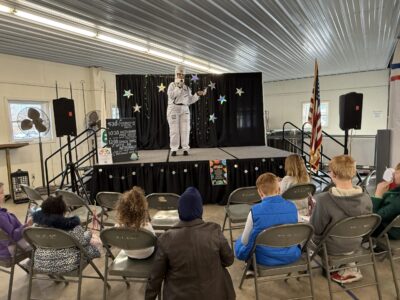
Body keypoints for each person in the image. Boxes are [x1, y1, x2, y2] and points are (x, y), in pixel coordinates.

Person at [145, 187, 235, 300]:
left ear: (179, 211)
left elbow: (156, 277)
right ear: (200, 210)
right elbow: (229, 260)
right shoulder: (214, 231)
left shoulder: (165, 239)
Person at [310, 155, 372, 284]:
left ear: (332, 174)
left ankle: (335, 266)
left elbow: (316, 229)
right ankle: (347, 264)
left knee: (303, 230)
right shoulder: (366, 198)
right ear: (354, 172)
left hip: (331, 248)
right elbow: (367, 226)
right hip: (356, 244)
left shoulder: (323, 199)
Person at [235, 173, 300, 270]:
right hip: (291, 255)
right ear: (279, 190)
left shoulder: (254, 211)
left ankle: (250, 267)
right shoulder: (292, 206)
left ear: (260, 192)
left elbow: (245, 241)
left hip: (263, 258)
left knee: (240, 240)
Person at [32, 195, 100, 273]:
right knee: (91, 244)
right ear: (63, 211)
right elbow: (83, 242)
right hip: (67, 264)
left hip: (41, 263)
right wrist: (89, 233)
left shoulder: (35, 226)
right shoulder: (71, 226)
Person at [167, 65, 205, 156]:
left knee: (186, 129)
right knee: (174, 130)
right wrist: (178, 87)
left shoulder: (187, 88)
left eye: (182, 74)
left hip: (185, 109)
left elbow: (190, 100)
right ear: (176, 74)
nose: (180, 76)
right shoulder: (172, 85)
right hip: (174, 108)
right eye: (179, 74)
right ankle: (174, 149)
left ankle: (185, 148)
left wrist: (197, 94)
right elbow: (171, 96)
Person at [115, 186, 155, 259]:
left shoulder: (117, 226)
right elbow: (154, 241)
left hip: (129, 253)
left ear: (121, 208)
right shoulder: (146, 226)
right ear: (143, 208)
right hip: (147, 254)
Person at [0, 182, 32, 259]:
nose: (3, 195)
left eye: (2, 192)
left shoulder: (2, 213)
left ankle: (31, 264)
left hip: (5, 247)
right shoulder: (1, 216)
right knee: (40, 242)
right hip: (9, 249)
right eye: (1, 193)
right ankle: (33, 265)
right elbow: (13, 236)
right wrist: (27, 225)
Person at [372, 163, 400, 239]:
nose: (394, 173)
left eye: (397, 172)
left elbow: (375, 218)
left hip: (390, 233)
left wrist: (378, 194)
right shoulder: (396, 191)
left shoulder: (396, 201)